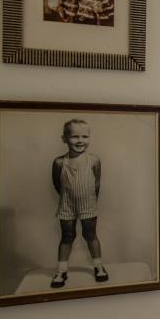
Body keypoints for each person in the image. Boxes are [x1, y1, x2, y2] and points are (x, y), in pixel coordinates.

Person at [50, 119, 108, 288]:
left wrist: (90, 202)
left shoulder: (94, 160)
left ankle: (98, 267)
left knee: (90, 235)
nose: (80, 140)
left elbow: (96, 184)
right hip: (67, 205)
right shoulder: (59, 162)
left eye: (84, 136)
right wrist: (68, 199)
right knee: (67, 237)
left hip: (88, 205)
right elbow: (56, 183)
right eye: (74, 136)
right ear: (64, 139)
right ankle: (61, 271)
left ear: (89, 138)